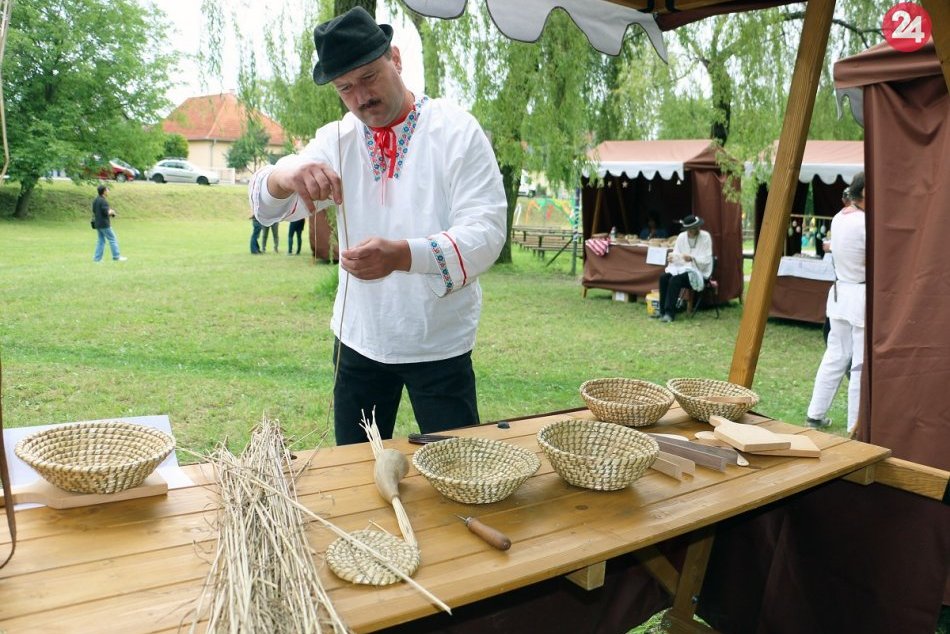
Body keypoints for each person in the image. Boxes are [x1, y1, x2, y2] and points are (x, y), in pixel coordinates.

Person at [249, 7, 507, 445]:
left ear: (396, 58)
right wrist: (287, 173)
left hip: (439, 342)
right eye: (345, 88)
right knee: (353, 469)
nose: (360, 96)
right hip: (359, 340)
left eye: (368, 77)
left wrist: (405, 255)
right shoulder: (338, 139)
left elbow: (486, 231)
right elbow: (268, 207)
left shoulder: (455, 131)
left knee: (458, 466)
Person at [806, 172, 866, 433]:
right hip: (858, 295)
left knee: (835, 355)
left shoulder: (839, 218)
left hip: (842, 294)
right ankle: (855, 424)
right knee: (859, 362)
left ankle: (815, 414)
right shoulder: (865, 222)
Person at [656, 214, 712, 323]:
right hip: (683, 268)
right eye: (691, 229)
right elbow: (677, 255)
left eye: (696, 228)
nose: (694, 230)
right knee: (664, 278)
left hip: (699, 272)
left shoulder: (705, 237)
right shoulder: (681, 237)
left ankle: (669, 313)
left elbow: (706, 260)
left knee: (675, 280)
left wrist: (692, 258)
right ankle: (662, 311)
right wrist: (673, 258)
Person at [92, 184, 127, 262]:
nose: (108, 191)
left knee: (101, 240)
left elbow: (94, 211)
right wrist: (112, 212)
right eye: (107, 190)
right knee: (112, 239)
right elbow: (106, 212)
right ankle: (116, 256)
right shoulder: (103, 201)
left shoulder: (96, 200)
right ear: (104, 192)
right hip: (104, 224)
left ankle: (97, 259)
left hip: (98, 224)